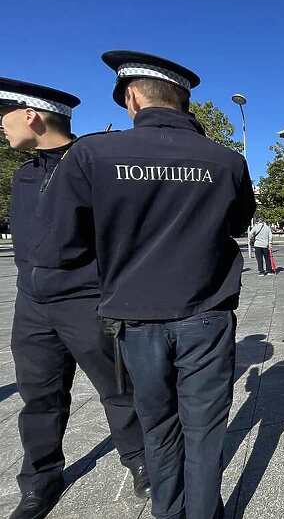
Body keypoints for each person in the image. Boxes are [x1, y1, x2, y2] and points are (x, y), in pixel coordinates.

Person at [33, 51, 256, 519]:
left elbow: (60, 249)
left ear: (132, 97)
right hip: (207, 318)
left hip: (135, 322)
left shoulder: (92, 154)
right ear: (184, 101)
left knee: (158, 431)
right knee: (204, 434)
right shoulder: (227, 160)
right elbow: (238, 223)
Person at [0, 77, 149, 519]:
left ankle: (139, 460)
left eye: (4, 117)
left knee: (118, 388)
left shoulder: (91, 164)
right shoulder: (23, 175)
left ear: (32, 115)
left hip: (86, 298)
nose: (1, 128)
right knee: (39, 396)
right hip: (32, 303)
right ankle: (40, 481)